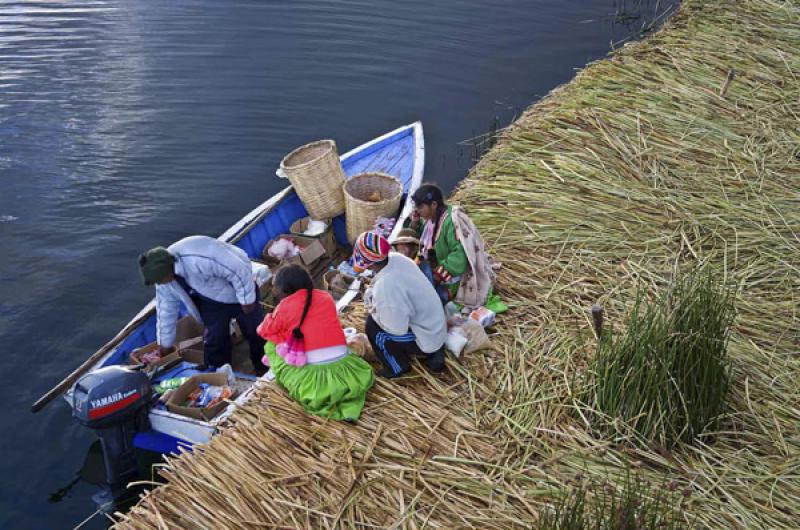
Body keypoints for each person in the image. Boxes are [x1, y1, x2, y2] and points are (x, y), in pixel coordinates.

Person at [257, 264, 374, 421]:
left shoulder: (284, 307)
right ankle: (349, 407)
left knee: (271, 344)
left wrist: (275, 322)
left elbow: (264, 330)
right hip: (346, 369)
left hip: (317, 381)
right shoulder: (325, 297)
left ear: (284, 291)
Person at [138, 235, 267, 374]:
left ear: (168, 271)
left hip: (237, 291)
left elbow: (238, 269)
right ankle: (219, 373)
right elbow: (166, 311)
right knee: (214, 339)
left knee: (255, 331)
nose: (160, 284)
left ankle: (263, 367)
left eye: (160, 280)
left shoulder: (196, 257)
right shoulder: (164, 282)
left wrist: (247, 300)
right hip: (209, 301)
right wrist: (165, 345)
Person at [352, 231, 447, 378]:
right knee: (377, 320)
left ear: (368, 264)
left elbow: (397, 330)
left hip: (427, 335)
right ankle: (432, 352)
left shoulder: (385, 286)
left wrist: (376, 313)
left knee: (374, 329)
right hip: (435, 325)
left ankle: (396, 368)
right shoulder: (396, 258)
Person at [407, 183, 494, 308]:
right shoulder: (431, 220)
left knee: (428, 301)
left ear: (434, 205)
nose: (418, 211)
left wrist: (438, 276)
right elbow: (425, 240)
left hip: (452, 277)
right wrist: (415, 223)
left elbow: (460, 254)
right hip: (435, 268)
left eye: (420, 207)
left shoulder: (451, 222)